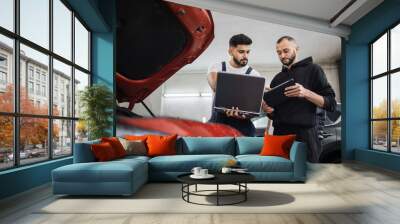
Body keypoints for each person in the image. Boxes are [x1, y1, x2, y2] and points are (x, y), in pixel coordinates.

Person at [264, 36, 337, 163]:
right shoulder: (277, 78)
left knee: (307, 179)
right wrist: (268, 110)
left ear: (296, 49)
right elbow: (274, 114)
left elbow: (331, 104)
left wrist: (306, 93)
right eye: (279, 52)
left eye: (286, 51)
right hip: (279, 136)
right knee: (280, 178)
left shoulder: (314, 70)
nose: (282, 55)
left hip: (305, 136)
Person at [207, 34, 265, 136]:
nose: (245, 56)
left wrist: (243, 116)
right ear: (230, 51)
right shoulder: (216, 68)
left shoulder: (254, 74)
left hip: (244, 128)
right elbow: (216, 87)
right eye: (241, 52)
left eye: (248, 52)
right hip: (219, 124)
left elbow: (255, 109)